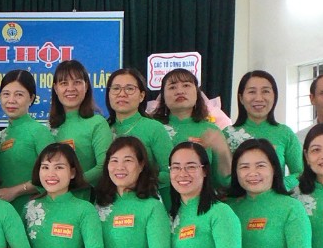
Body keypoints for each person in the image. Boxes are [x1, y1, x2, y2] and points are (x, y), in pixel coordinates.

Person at [149, 69, 232, 187]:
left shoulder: (211, 131)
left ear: (197, 93)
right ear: (163, 96)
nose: (180, 91)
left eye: (186, 85)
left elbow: (226, 181)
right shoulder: (152, 127)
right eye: (172, 87)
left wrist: (220, 150)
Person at [0, 70, 52, 216]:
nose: (11, 100)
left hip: (33, 211)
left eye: (19, 95)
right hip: (2, 212)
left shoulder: (39, 132)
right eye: (6, 94)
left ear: (31, 98)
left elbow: (53, 175)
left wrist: (15, 191)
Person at [225, 71, 303, 181]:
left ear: (274, 96)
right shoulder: (226, 134)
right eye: (252, 92)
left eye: (265, 91)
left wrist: (279, 186)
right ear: (241, 98)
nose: (259, 98)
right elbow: (220, 177)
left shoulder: (285, 133)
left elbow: (300, 173)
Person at [49, 60, 114, 191]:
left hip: (86, 197)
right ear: (56, 88)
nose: (70, 88)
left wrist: (69, 184)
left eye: (77, 82)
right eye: (64, 83)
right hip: (53, 196)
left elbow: (103, 166)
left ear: (87, 86)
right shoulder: (49, 126)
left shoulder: (97, 123)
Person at [105, 67, 171, 195]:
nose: (122, 94)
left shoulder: (154, 128)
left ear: (141, 96)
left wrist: (139, 181)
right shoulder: (103, 128)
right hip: (108, 200)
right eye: (116, 88)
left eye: (129, 89)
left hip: (145, 197)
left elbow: (170, 171)